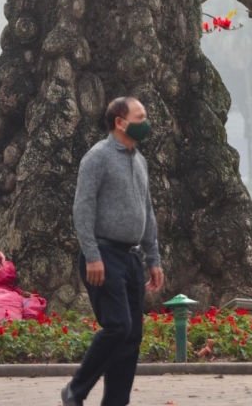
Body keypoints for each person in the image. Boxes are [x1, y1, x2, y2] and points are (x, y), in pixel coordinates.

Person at [62, 97, 165, 406]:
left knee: (132, 336)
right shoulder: (98, 157)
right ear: (120, 122)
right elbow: (82, 209)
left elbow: (146, 212)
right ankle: (76, 389)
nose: (147, 122)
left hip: (132, 257)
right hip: (103, 255)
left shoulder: (139, 159)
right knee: (118, 325)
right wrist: (91, 255)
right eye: (140, 116)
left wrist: (153, 259)